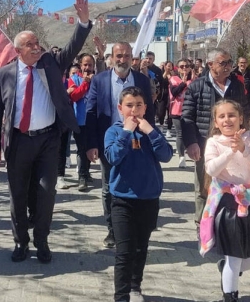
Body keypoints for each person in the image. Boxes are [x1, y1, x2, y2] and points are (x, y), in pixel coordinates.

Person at [0, 0, 92, 263]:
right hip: (18, 141)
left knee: (46, 193)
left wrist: (83, 22)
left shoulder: (51, 64)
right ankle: (21, 242)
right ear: (18, 51)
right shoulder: (4, 74)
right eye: (30, 44)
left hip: (47, 141)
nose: (36, 47)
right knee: (18, 195)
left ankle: (42, 241)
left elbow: (72, 48)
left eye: (37, 42)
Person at [104, 86, 172, 302]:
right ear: (120, 108)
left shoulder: (151, 130)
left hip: (149, 199)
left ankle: (135, 287)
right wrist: (126, 132)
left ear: (145, 107)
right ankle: (121, 296)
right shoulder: (114, 131)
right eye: (129, 105)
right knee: (124, 252)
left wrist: (151, 132)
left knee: (141, 248)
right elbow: (113, 157)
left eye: (139, 105)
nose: (134, 110)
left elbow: (166, 155)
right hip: (122, 200)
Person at [85, 42, 155, 249]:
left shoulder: (142, 80)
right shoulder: (100, 80)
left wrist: (151, 138)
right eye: (118, 56)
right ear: (112, 57)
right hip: (111, 141)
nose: (122, 60)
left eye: (126, 56)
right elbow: (91, 112)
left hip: (138, 141)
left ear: (132, 57)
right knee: (109, 187)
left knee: (136, 182)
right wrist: (90, 144)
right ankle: (113, 229)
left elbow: (150, 112)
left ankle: (133, 227)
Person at [199, 100, 250, 302]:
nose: (227, 120)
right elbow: (211, 169)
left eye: (231, 115)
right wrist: (231, 150)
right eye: (221, 116)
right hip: (226, 204)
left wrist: (244, 148)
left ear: (241, 119)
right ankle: (230, 296)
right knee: (234, 256)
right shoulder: (214, 142)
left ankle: (226, 269)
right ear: (216, 122)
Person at [181, 49, 250, 236]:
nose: (228, 66)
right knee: (204, 186)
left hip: (232, 144)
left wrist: (246, 138)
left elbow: (245, 113)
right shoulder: (197, 86)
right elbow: (187, 117)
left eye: (230, 62)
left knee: (233, 184)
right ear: (210, 65)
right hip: (205, 144)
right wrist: (191, 143)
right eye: (223, 63)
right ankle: (202, 224)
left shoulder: (236, 85)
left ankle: (230, 223)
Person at [68, 54, 96, 191]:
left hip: (94, 119)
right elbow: (74, 96)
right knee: (81, 149)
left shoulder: (97, 79)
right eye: (85, 64)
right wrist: (85, 83)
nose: (87, 67)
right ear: (80, 65)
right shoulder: (74, 79)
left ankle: (87, 172)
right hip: (79, 120)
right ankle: (82, 177)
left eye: (90, 65)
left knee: (90, 146)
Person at [169, 59, 192, 168]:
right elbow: (174, 92)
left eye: (186, 66)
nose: (184, 68)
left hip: (190, 110)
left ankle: (190, 151)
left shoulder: (195, 80)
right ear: (178, 68)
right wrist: (183, 83)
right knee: (180, 133)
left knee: (190, 133)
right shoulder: (174, 79)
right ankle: (181, 157)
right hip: (177, 110)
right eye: (181, 66)